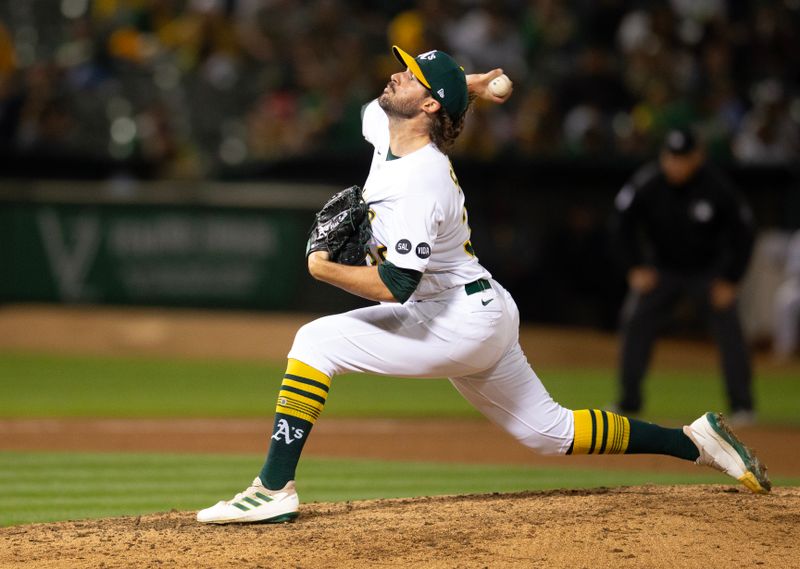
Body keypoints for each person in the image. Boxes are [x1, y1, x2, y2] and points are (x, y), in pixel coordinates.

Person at [197, 48, 770, 525]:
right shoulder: (389, 127)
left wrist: (324, 269)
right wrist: (469, 82)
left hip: (454, 321)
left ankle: (273, 489)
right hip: (481, 308)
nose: (394, 75)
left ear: (425, 105)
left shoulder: (421, 183)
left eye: (410, 75)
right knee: (550, 432)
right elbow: (416, 101)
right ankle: (696, 441)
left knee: (316, 342)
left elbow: (397, 285)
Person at [611, 128, 756, 424]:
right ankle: (629, 401)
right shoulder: (648, 183)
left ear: (697, 158)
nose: (675, 164)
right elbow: (621, 225)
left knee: (730, 332)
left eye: (682, 158)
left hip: (707, 272)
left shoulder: (717, 186)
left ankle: (742, 405)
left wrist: (731, 279)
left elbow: (744, 232)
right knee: (636, 322)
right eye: (670, 157)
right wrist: (635, 266)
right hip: (662, 269)